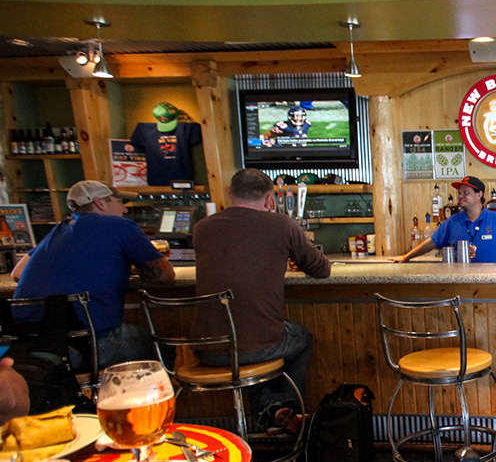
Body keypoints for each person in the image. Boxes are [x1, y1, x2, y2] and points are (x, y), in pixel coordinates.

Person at [193, 168, 331, 424]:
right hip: (258, 345)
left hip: (207, 349)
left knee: (248, 348)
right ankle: (292, 411)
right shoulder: (282, 224)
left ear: (230, 193)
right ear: (270, 200)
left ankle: (273, 411)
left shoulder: (202, 228)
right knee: (297, 338)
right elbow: (322, 270)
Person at [12, 180, 175, 368]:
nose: (123, 209)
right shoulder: (119, 226)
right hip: (90, 346)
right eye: (119, 202)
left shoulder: (58, 230)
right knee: (162, 348)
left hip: (34, 349)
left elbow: (18, 273)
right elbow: (166, 276)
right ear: (100, 203)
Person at [395, 176, 496, 263]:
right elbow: (431, 243)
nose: (460, 196)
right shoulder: (453, 221)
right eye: (459, 193)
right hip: (460, 280)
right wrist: (406, 257)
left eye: (465, 193)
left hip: (492, 281)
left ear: (479, 194)